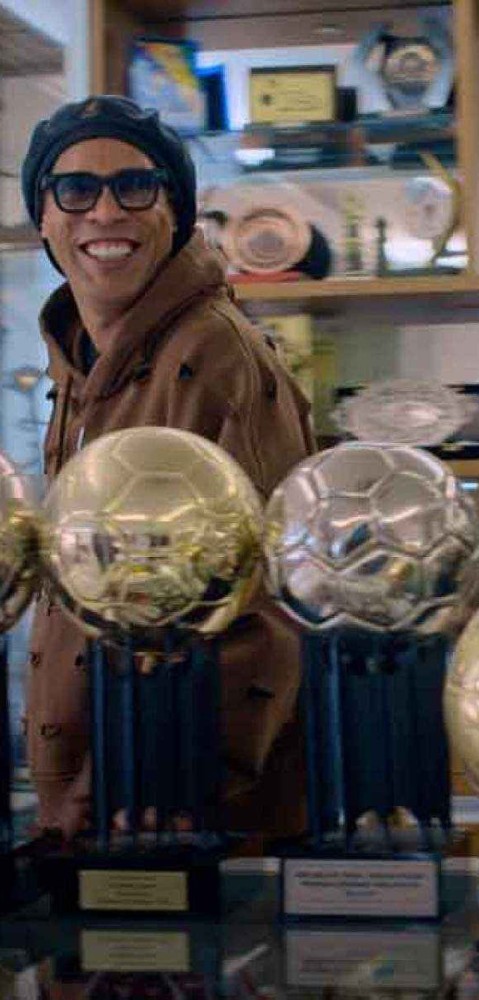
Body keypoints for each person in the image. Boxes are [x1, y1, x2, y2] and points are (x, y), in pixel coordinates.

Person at [20, 95, 316, 840]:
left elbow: (267, 610)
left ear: (174, 212)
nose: (105, 212)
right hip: (93, 809)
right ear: (43, 218)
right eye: (76, 189)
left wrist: (144, 784)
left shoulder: (216, 356)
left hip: (178, 818)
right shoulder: (80, 364)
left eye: (135, 186)